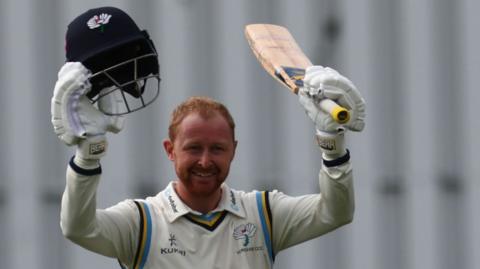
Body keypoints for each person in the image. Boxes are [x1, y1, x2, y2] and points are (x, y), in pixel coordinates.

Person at [52, 7, 366, 269]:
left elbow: (336, 212)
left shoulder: (264, 214)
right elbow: (78, 228)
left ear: (234, 151)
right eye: (193, 148)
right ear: (170, 150)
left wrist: (331, 139)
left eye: (217, 148)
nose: (205, 161)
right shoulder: (141, 223)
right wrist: (87, 154)